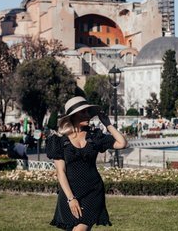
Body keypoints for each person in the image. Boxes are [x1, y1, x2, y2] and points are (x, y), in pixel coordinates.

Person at [46, 96, 129, 231]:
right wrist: (71, 199)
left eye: (88, 112)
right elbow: (60, 172)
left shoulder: (94, 136)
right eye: (83, 112)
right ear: (72, 116)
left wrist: (107, 124)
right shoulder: (59, 140)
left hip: (93, 191)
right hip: (69, 193)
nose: (88, 115)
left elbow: (122, 143)